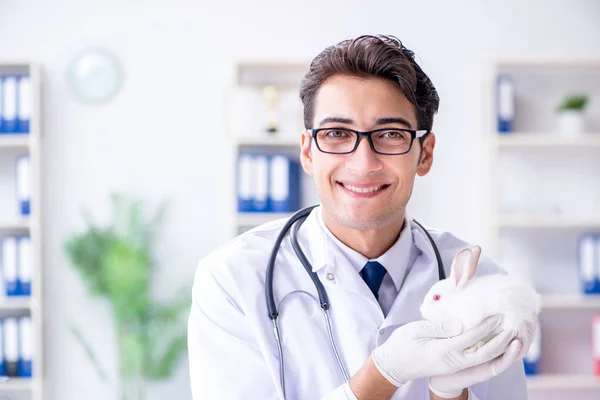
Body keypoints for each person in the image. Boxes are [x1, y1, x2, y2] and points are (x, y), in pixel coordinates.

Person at [187, 34, 535, 400]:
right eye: (337, 133)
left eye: (389, 134)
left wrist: (450, 395)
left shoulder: (484, 283)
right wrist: (383, 373)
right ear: (308, 153)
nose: (363, 163)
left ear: (425, 154)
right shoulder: (233, 280)